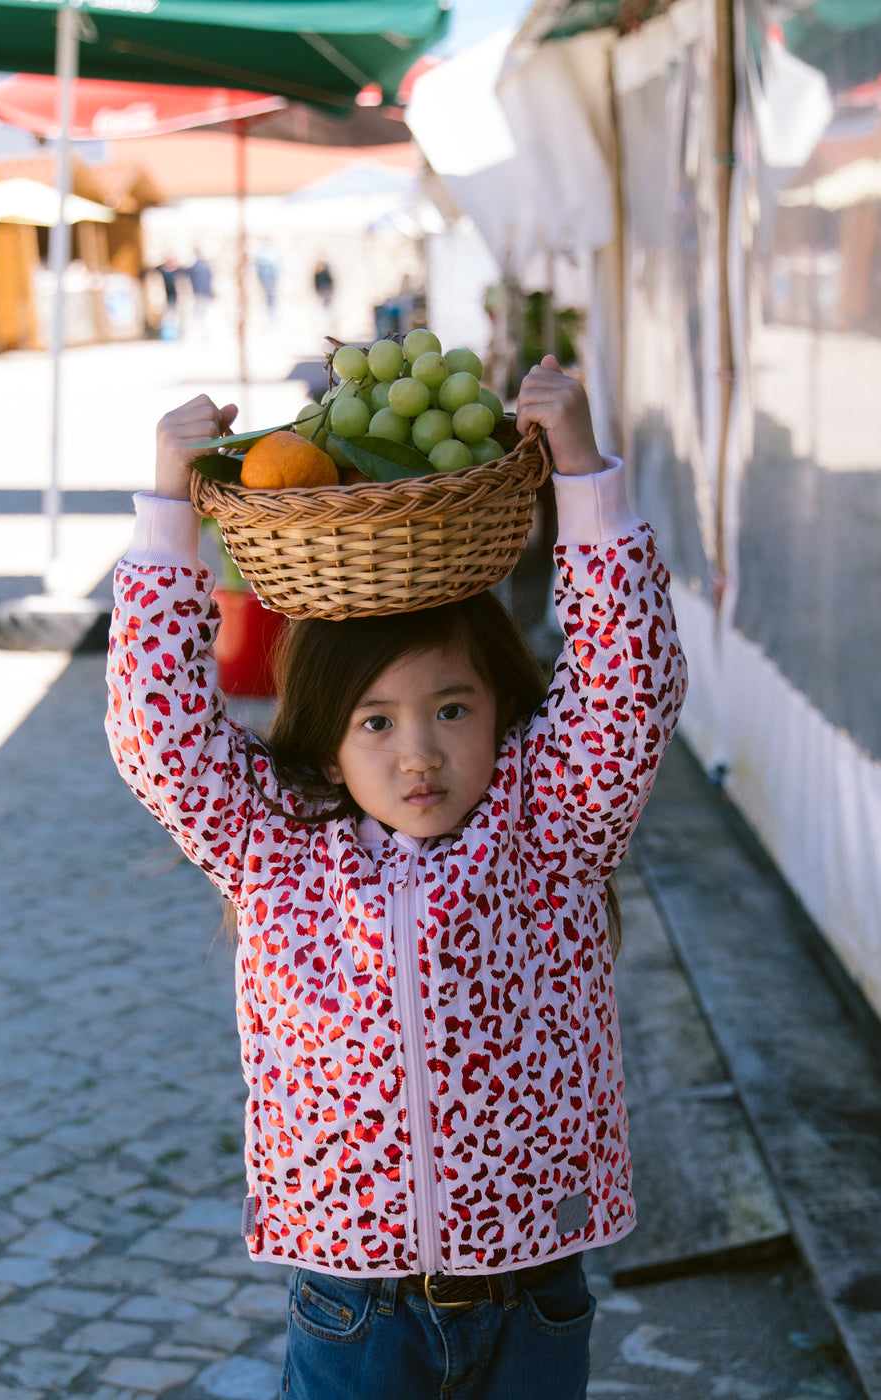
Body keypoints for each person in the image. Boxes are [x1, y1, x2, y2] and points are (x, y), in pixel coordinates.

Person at [105, 355, 687, 1400]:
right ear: (328, 743)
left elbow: (627, 689)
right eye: (376, 721)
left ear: (499, 712)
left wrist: (586, 476)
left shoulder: (547, 822)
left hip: (530, 1283)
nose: (417, 750)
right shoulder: (275, 843)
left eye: (451, 709)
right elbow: (158, 734)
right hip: (351, 1296)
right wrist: (165, 511)